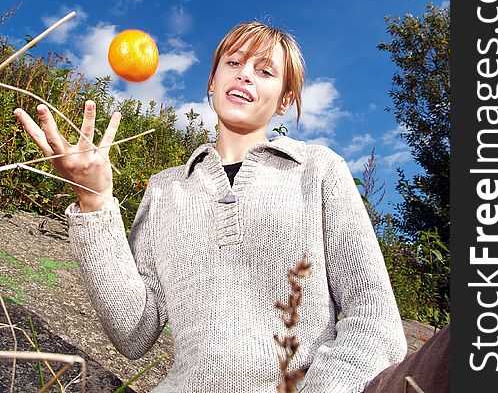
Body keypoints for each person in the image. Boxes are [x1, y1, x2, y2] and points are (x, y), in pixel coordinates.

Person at [14, 21, 410, 392]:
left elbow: (374, 320)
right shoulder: (165, 188)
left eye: (265, 71)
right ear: (212, 80)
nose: (244, 74)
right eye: (233, 63)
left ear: (284, 101)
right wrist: (93, 199)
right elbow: (132, 333)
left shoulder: (320, 170)